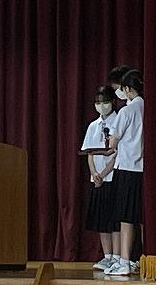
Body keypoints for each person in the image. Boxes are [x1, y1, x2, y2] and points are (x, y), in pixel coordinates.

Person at [104, 70, 144, 276]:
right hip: (142, 170)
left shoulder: (126, 111)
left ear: (127, 89)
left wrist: (109, 140)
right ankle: (139, 258)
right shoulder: (146, 106)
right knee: (139, 217)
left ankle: (124, 261)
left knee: (126, 218)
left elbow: (112, 143)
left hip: (127, 168)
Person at [81, 86, 119, 271]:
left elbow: (117, 153)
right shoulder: (93, 125)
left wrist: (103, 174)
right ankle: (107, 256)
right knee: (101, 220)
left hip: (113, 177)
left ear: (113, 102)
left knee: (114, 221)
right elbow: (88, 152)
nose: (101, 106)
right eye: (97, 102)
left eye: (105, 102)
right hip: (97, 179)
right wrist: (94, 173)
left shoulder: (118, 122)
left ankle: (118, 257)